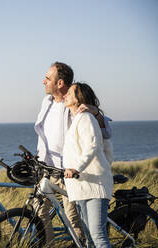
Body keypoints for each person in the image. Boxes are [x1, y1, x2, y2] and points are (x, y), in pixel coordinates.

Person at [34, 62, 112, 245]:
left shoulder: (77, 105)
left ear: (60, 83)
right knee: (39, 211)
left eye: (47, 78)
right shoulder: (47, 103)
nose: (43, 81)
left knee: (74, 220)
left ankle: (81, 244)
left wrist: (97, 114)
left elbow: (104, 134)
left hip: (68, 171)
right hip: (46, 168)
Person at [63, 82, 113, 248]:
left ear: (79, 98)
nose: (65, 95)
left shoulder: (85, 117)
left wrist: (76, 168)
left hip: (95, 183)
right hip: (81, 185)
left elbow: (93, 145)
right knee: (89, 240)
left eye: (70, 93)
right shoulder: (75, 119)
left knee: (98, 235)